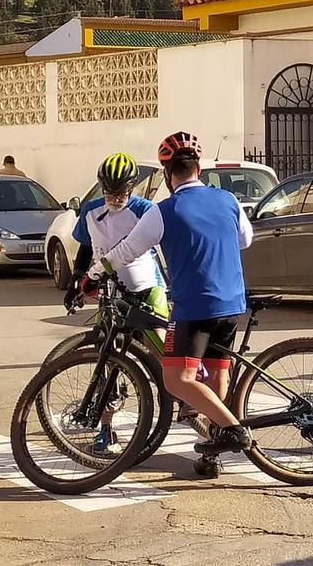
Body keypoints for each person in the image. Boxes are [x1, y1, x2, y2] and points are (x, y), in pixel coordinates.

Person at [85, 131, 253, 478]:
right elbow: (245, 240)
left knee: (176, 379)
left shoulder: (165, 210)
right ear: (199, 169)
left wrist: (93, 274)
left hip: (195, 305)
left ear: (166, 173)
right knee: (215, 373)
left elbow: (126, 250)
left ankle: (234, 430)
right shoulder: (227, 199)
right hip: (233, 301)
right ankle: (213, 450)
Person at [65, 153, 170, 455]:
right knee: (107, 358)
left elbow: (164, 248)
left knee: (164, 354)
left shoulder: (145, 209)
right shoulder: (91, 211)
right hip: (111, 293)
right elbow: (86, 247)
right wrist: (75, 280)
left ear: (132, 188)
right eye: (110, 193)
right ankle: (106, 429)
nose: (116, 199)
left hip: (147, 290)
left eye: (122, 192)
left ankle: (181, 401)